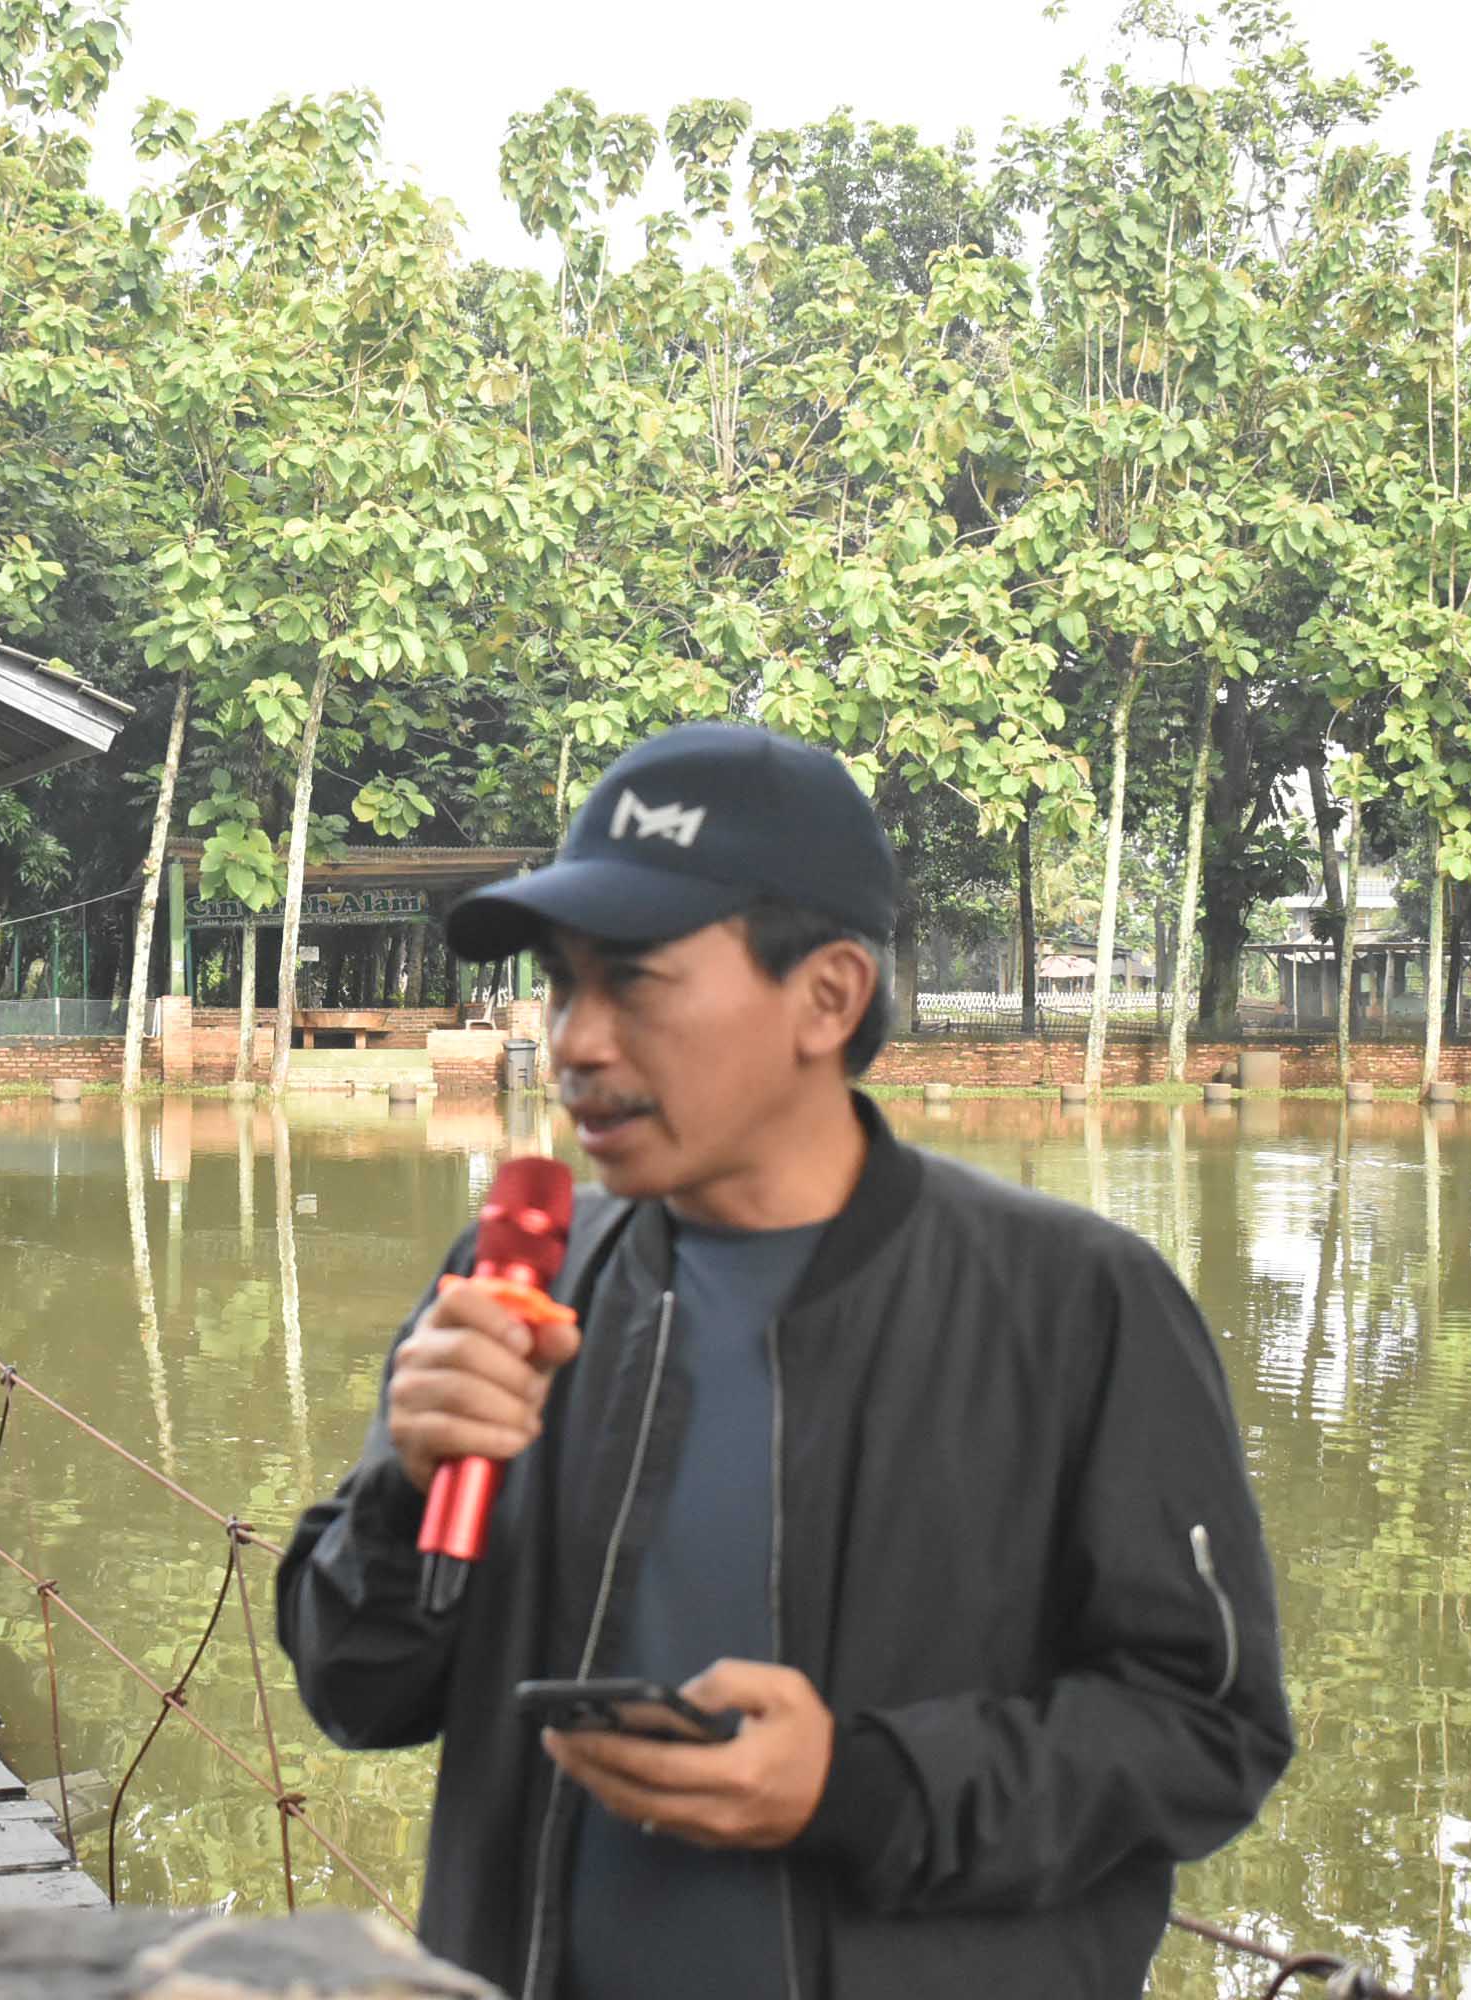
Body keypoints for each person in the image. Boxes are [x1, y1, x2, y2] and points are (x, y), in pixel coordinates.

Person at [277, 722, 1292, 1999]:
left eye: (634, 982)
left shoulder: (1075, 1305)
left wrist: (857, 1785)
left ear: (828, 995)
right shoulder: (514, 1276)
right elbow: (357, 1690)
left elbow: (1207, 1729)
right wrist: (404, 1489)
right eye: (561, 984)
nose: (576, 1041)